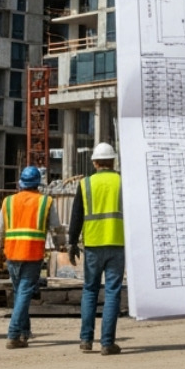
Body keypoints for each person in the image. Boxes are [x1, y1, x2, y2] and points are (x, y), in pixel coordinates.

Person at [69, 143, 125, 355]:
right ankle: (107, 343)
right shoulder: (122, 181)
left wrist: (72, 242)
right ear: (113, 161)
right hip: (117, 242)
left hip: (92, 244)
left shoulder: (85, 184)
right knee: (112, 292)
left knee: (90, 290)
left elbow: (76, 215)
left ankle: (86, 340)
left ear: (94, 162)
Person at [0, 165, 53, 349]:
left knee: (20, 292)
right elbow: (56, 227)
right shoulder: (45, 201)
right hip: (33, 254)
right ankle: (13, 334)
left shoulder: (8, 202)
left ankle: (24, 332)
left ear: (21, 183)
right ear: (38, 184)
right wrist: (61, 245)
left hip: (12, 254)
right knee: (24, 292)